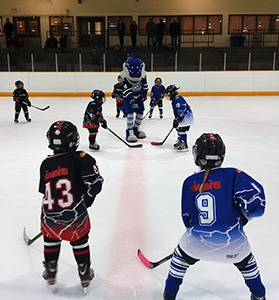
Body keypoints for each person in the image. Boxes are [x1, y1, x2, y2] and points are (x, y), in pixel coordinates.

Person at [163, 133, 266, 300]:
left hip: (196, 245)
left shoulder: (189, 182)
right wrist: (244, 217)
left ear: (197, 154)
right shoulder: (234, 175)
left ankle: (169, 295)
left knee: (179, 260)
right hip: (234, 247)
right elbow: (258, 204)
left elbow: (188, 221)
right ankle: (259, 295)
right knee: (248, 264)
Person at [39, 121, 104, 293]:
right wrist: (88, 199)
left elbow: (45, 191)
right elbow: (95, 185)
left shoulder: (45, 164)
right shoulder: (82, 158)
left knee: (51, 239)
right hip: (75, 215)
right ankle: (84, 272)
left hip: (49, 215)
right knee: (80, 241)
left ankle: (50, 271)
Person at [121, 55, 148, 142]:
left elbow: (145, 86)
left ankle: (136, 129)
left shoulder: (143, 76)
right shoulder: (125, 78)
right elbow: (127, 91)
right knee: (130, 114)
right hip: (129, 99)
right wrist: (131, 101)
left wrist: (144, 95)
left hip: (139, 98)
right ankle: (130, 131)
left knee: (140, 114)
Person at [166, 85, 193, 151]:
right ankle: (180, 140)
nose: (168, 96)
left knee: (181, 129)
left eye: (168, 94)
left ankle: (184, 143)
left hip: (186, 117)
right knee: (178, 128)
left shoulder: (177, 99)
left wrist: (179, 117)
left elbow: (181, 109)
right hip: (183, 117)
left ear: (171, 93)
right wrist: (176, 119)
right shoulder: (176, 99)